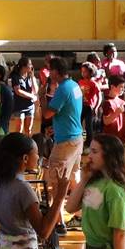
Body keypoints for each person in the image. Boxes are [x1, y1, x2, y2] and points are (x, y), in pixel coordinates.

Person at [43, 56, 86, 237]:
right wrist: (58, 126)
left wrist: (41, 97)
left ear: (56, 71)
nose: (48, 73)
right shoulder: (74, 85)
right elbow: (70, 110)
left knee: (54, 181)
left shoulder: (62, 89)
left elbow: (46, 113)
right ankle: (80, 215)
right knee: (73, 179)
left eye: (50, 70)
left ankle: (58, 223)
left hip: (65, 143)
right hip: (76, 137)